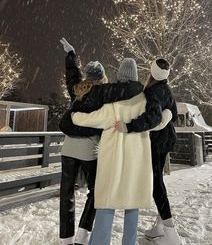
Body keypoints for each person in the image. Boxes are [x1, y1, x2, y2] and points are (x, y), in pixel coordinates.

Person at [71, 58, 173, 245]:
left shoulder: (113, 102)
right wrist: (168, 115)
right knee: (133, 205)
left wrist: (75, 117)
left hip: (113, 160)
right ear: (135, 76)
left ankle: (100, 242)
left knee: (107, 204)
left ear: (119, 76)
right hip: (137, 161)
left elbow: (94, 119)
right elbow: (156, 121)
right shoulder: (146, 100)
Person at [59, 39, 144, 245]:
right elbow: (126, 87)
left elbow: (72, 77)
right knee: (95, 192)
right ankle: (83, 233)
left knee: (66, 193)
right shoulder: (103, 92)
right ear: (102, 77)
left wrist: (71, 55)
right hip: (89, 149)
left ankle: (66, 238)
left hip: (68, 148)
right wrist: (140, 84)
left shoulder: (77, 89)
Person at [115, 59, 182, 245]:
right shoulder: (166, 90)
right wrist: (167, 113)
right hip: (167, 140)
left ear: (152, 72)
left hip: (157, 143)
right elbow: (173, 113)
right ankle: (161, 227)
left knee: (156, 185)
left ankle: (170, 232)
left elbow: (153, 118)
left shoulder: (151, 92)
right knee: (157, 181)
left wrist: (129, 126)